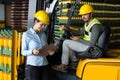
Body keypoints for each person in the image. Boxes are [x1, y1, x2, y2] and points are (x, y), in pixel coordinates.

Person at [52, 4, 105, 72]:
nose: (83, 17)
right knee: (69, 42)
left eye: (85, 14)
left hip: (92, 48)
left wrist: (79, 39)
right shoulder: (87, 23)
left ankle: (64, 65)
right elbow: (80, 32)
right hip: (87, 45)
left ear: (91, 14)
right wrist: (67, 29)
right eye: (82, 15)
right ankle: (75, 63)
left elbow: (92, 43)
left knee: (66, 43)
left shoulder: (95, 26)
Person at [21, 10, 55, 80]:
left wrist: (50, 52)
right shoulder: (26, 34)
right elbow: (23, 52)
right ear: (36, 21)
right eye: (41, 24)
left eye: (44, 25)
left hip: (44, 64)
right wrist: (32, 51)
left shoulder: (43, 34)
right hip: (33, 66)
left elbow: (46, 49)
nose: (43, 27)